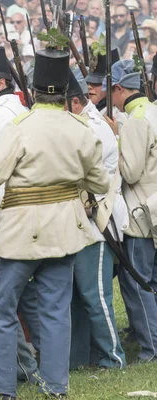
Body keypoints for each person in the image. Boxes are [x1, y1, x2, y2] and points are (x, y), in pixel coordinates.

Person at [0, 46, 109, 399]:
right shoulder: (80, 128)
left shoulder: (20, 126)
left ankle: (1, 389)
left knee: (0, 309)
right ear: (65, 91)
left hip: (21, 230)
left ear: (34, 89)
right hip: (66, 230)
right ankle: (56, 388)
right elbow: (100, 183)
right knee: (55, 310)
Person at [65, 71, 127, 370]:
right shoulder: (77, 123)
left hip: (97, 223)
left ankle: (112, 358)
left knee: (96, 296)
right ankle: (78, 359)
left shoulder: (94, 128)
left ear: (74, 102)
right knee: (76, 297)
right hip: (76, 222)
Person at [107, 59, 157, 363]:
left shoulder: (137, 120)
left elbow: (131, 171)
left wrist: (115, 139)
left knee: (138, 283)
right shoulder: (152, 110)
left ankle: (151, 347)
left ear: (119, 89)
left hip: (141, 213)